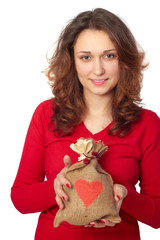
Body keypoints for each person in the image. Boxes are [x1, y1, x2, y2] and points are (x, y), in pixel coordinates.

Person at [11, 8, 160, 240]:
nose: (98, 69)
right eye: (86, 57)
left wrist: (123, 195)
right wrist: (55, 186)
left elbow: (157, 215)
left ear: (124, 60)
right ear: (72, 61)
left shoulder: (147, 123)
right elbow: (20, 199)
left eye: (109, 56)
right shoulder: (46, 114)